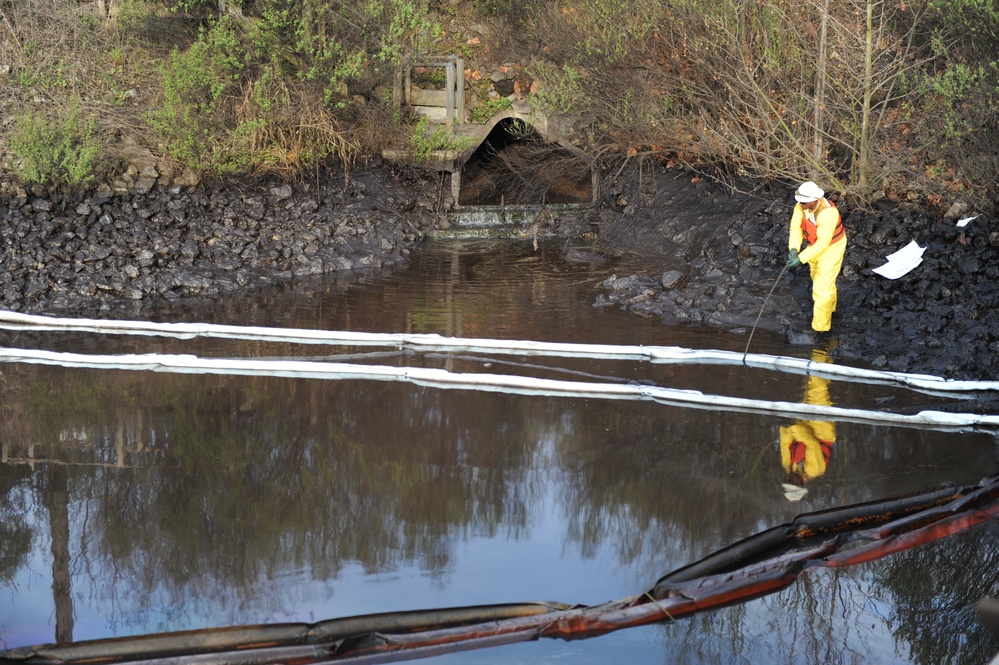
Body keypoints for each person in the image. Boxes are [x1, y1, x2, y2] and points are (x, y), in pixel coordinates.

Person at [786, 181, 847, 333]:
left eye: (804, 201)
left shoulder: (828, 213)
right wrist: (794, 248)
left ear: (815, 200)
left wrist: (800, 258)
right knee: (816, 276)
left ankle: (821, 328)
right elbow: (795, 228)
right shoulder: (801, 206)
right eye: (800, 200)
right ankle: (830, 308)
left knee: (822, 289)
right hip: (813, 246)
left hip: (831, 248)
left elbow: (823, 243)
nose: (800, 204)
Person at [779, 349, 836, 501]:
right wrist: (792, 427)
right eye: (792, 482)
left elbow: (785, 442)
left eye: (787, 481)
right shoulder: (815, 469)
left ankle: (830, 353)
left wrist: (784, 427)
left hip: (803, 426)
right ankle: (821, 349)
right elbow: (811, 443)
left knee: (811, 388)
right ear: (801, 485)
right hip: (821, 429)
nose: (789, 479)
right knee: (818, 389)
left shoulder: (789, 465)